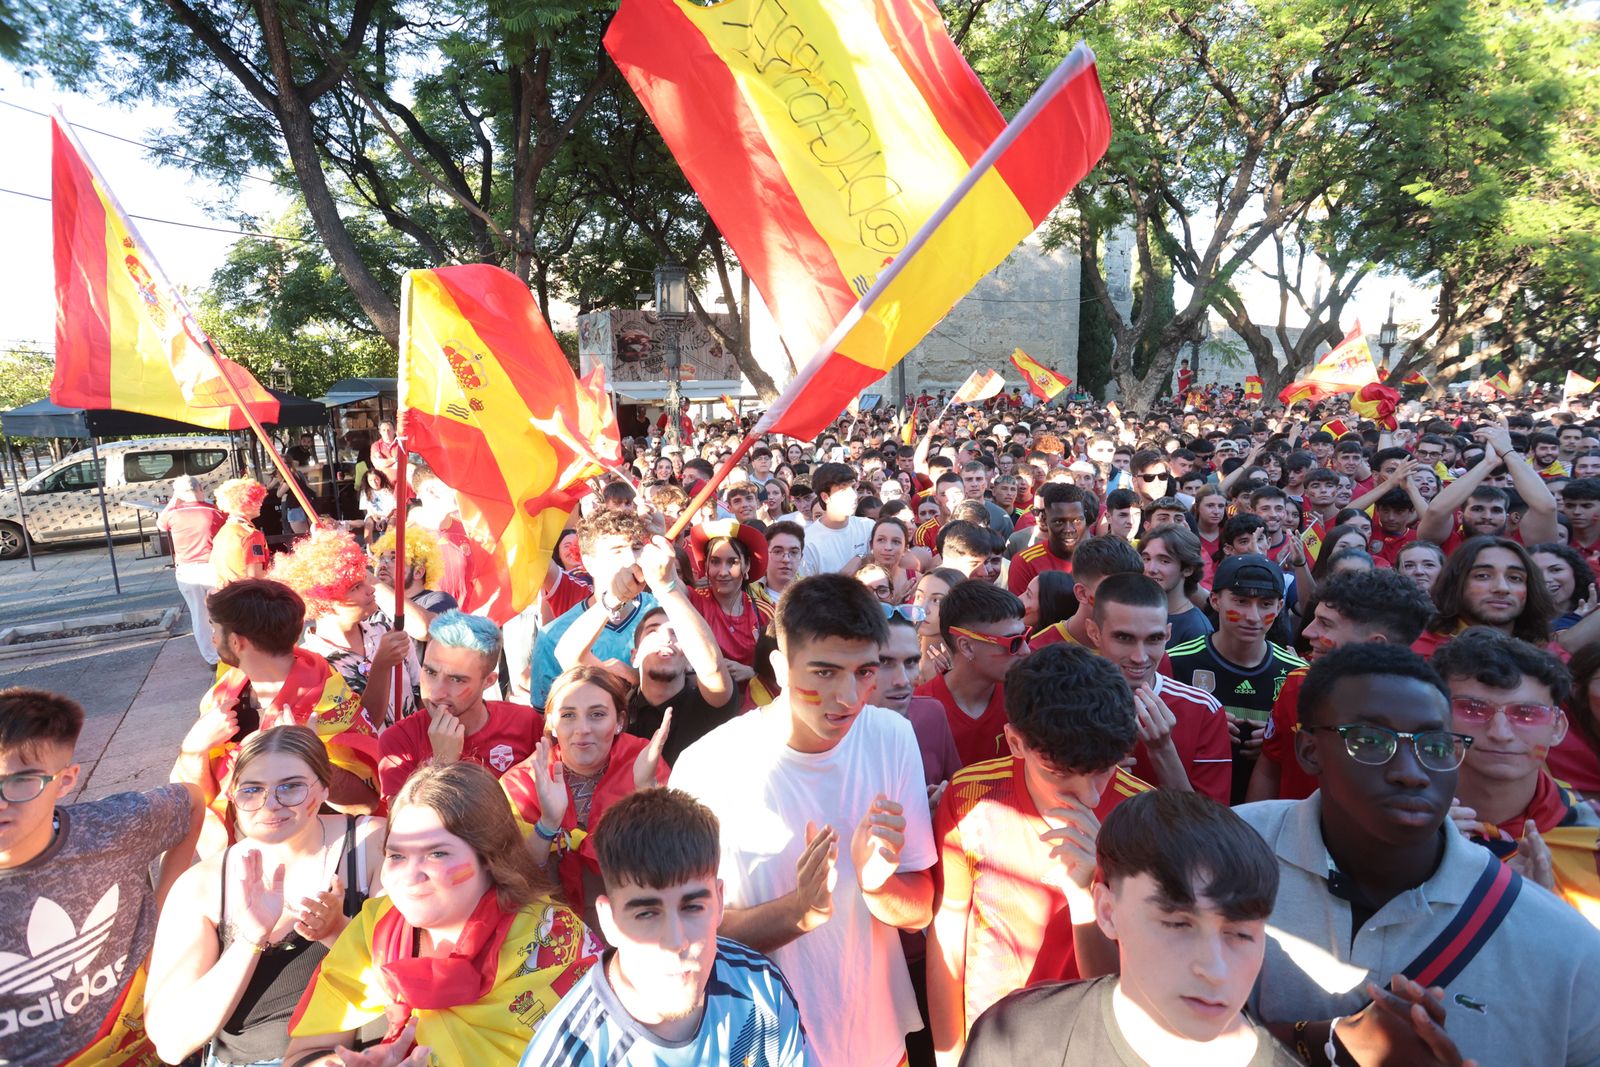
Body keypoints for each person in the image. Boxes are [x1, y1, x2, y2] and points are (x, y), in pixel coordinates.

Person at [1236, 643, 1600, 1066]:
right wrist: (1321, 1041)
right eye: (1370, 740)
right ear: (1308, 750)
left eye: (1435, 745)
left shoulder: (1563, 944)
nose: (1410, 773)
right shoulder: (1220, 854)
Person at [670, 574, 937, 1067]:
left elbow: (920, 908)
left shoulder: (893, 737)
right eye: (824, 672)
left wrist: (878, 887)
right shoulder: (707, 766)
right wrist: (801, 911)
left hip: (878, 1038)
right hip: (763, 1045)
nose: (849, 698)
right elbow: (688, 935)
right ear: (780, 667)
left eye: (864, 672)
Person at [284, 761, 601, 1063]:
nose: (410, 876)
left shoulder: (552, 937)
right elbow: (304, 1054)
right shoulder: (376, 927)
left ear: (489, 858)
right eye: (396, 856)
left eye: (437, 853)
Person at [959, 790, 1297, 1067]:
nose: (1215, 969)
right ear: (1107, 911)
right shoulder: (1013, 1042)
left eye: (1241, 934)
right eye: (1178, 923)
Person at [927, 644, 1148, 1065]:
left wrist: (1087, 893)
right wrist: (950, 1052)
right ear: (1015, 742)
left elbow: (1124, 981)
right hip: (993, 1037)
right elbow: (951, 926)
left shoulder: (1143, 817)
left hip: (1094, 1045)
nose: (1091, 794)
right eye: (1060, 774)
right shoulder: (971, 797)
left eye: (1106, 769)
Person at [517, 788, 809, 1065]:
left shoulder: (763, 990)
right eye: (646, 914)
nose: (675, 941)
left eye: (693, 907)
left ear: (719, 902)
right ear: (610, 921)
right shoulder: (570, 1057)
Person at [146, 726, 384, 1065]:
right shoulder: (203, 886)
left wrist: (339, 932)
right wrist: (249, 939)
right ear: (233, 794)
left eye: (291, 787)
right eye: (252, 789)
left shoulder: (370, 846)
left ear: (325, 787)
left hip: (365, 1050)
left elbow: (406, 971)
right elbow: (171, 1042)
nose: (270, 804)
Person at [0, 688, 203, 1067]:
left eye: (21, 782)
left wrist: (163, 917)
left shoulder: (114, 828)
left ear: (65, 780)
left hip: (143, 1046)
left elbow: (191, 802)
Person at [176, 579, 382, 854]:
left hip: (318, 861)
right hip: (243, 857)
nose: (212, 638)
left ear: (237, 642)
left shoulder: (328, 700)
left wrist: (308, 756)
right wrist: (195, 748)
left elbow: (366, 802)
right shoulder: (225, 693)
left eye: (215, 629)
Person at [1436, 629, 1600, 920]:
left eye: (1526, 713)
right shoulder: (1388, 822)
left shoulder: (1592, 832)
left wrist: (1544, 918)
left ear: (1558, 727)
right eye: (1472, 709)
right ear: (1435, 717)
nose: (1500, 733)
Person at [501, 666, 672, 925]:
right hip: (548, 928)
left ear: (619, 723)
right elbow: (513, 878)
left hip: (637, 920)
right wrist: (547, 824)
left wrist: (646, 791)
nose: (582, 729)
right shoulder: (523, 782)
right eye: (568, 715)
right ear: (551, 724)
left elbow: (674, 860)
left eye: (597, 714)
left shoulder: (645, 762)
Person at [1247, 569, 1436, 803]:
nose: (1307, 632)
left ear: (1375, 645)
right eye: (1314, 619)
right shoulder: (1298, 684)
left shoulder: (1430, 715)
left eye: (1325, 624)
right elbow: (1269, 770)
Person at [1166, 554, 1307, 804]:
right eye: (1241, 601)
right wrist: (1202, 732)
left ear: (1280, 605)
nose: (1253, 616)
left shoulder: (1298, 676)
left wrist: (1279, 744)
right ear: (1215, 600)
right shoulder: (1175, 662)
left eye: (1265, 604)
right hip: (1190, 813)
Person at [1086, 573, 1231, 802]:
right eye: (1124, 638)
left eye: (1154, 639)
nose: (1139, 657)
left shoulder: (1203, 710)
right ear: (1094, 633)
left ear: (1168, 634)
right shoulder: (1063, 702)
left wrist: (1163, 750)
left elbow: (1211, 827)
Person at [378, 610, 544, 800]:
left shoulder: (525, 723)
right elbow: (400, 826)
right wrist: (442, 766)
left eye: (457, 679)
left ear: (488, 681)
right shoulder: (399, 741)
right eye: (430, 672)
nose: (437, 692)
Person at [271, 525, 420, 727]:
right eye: (356, 587)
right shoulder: (310, 665)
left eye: (365, 580)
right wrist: (382, 665)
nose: (371, 590)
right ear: (323, 599)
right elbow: (360, 728)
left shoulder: (387, 632)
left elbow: (421, 694)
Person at [528, 508, 656, 709]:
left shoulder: (663, 611)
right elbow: (544, 719)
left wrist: (638, 679)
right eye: (618, 550)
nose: (632, 559)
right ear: (589, 563)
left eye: (637, 548)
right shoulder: (552, 636)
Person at [624, 572, 739, 767]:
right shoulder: (617, 709)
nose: (666, 639)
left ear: (690, 658)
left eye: (675, 633)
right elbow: (567, 653)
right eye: (653, 631)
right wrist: (611, 599)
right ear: (635, 655)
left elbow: (713, 668)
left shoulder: (708, 705)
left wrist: (666, 586)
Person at [915, 580, 1028, 768]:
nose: (1026, 651)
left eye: (1026, 637)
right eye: (1013, 642)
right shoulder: (920, 711)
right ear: (966, 646)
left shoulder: (1027, 698)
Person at [1411, 535, 1555, 658]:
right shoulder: (1424, 654)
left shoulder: (1547, 653)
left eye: (1515, 578)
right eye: (1483, 576)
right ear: (1455, 584)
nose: (1502, 588)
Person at [685, 518, 775, 673]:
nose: (723, 572)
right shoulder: (691, 602)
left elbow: (782, 670)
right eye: (715, 561)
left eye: (732, 562)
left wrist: (753, 673)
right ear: (705, 564)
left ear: (746, 565)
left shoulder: (764, 613)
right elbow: (667, 584)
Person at [159, 474, 227, 665]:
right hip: (213, 567)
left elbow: (160, 523)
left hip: (186, 570)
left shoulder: (173, 514)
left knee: (199, 616)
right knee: (221, 613)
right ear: (201, 489)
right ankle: (227, 650)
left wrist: (175, 498)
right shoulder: (215, 512)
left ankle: (211, 658)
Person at [1031, 535, 1144, 650]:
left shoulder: (1147, 642)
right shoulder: (1038, 653)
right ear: (1082, 594)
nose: (1128, 600)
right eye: (1113, 590)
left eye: (1134, 589)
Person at [1005, 484, 1096, 595]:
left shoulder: (1104, 557)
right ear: (1045, 519)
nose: (1069, 529)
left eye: (1076, 521)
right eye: (1059, 522)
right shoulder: (1025, 563)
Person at [1139, 522, 1213, 647]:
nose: (1151, 569)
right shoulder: (1137, 613)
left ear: (1188, 569)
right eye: (1146, 559)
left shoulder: (1196, 630)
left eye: (1164, 561)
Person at [801, 462, 876, 576]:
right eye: (843, 490)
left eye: (853, 487)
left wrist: (861, 558)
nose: (854, 495)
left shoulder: (868, 526)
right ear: (825, 497)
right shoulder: (808, 542)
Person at [211, 477, 270, 587]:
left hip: (225, 595)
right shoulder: (251, 535)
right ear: (241, 504)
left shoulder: (223, 531)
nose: (260, 504)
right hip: (245, 596)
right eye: (254, 500)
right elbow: (255, 577)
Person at [755, 519, 805, 604]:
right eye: (778, 551)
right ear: (765, 555)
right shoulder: (749, 595)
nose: (786, 559)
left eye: (793, 552)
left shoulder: (813, 594)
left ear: (801, 557)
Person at [368, 420, 402, 484]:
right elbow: (379, 463)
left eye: (389, 430)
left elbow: (405, 463)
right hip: (384, 484)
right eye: (383, 430)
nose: (386, 433)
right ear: (380, 432)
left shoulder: (401, 444)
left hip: (401, 483)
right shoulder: (376, 446)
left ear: (394, 431)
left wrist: (386, 462)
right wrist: (395, 460)